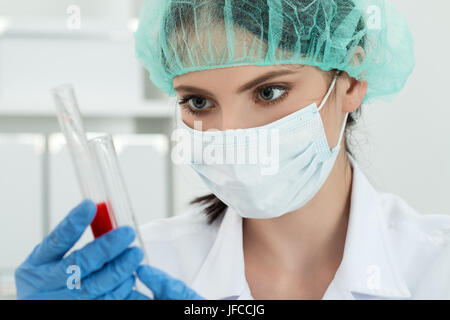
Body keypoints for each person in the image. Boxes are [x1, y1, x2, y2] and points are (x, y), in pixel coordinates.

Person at [15, 0, 450, 300]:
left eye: (269, 91)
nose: (230, 133)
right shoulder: (140, 270)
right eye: (199, 102)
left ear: (351, 80)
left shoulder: (436, 266)